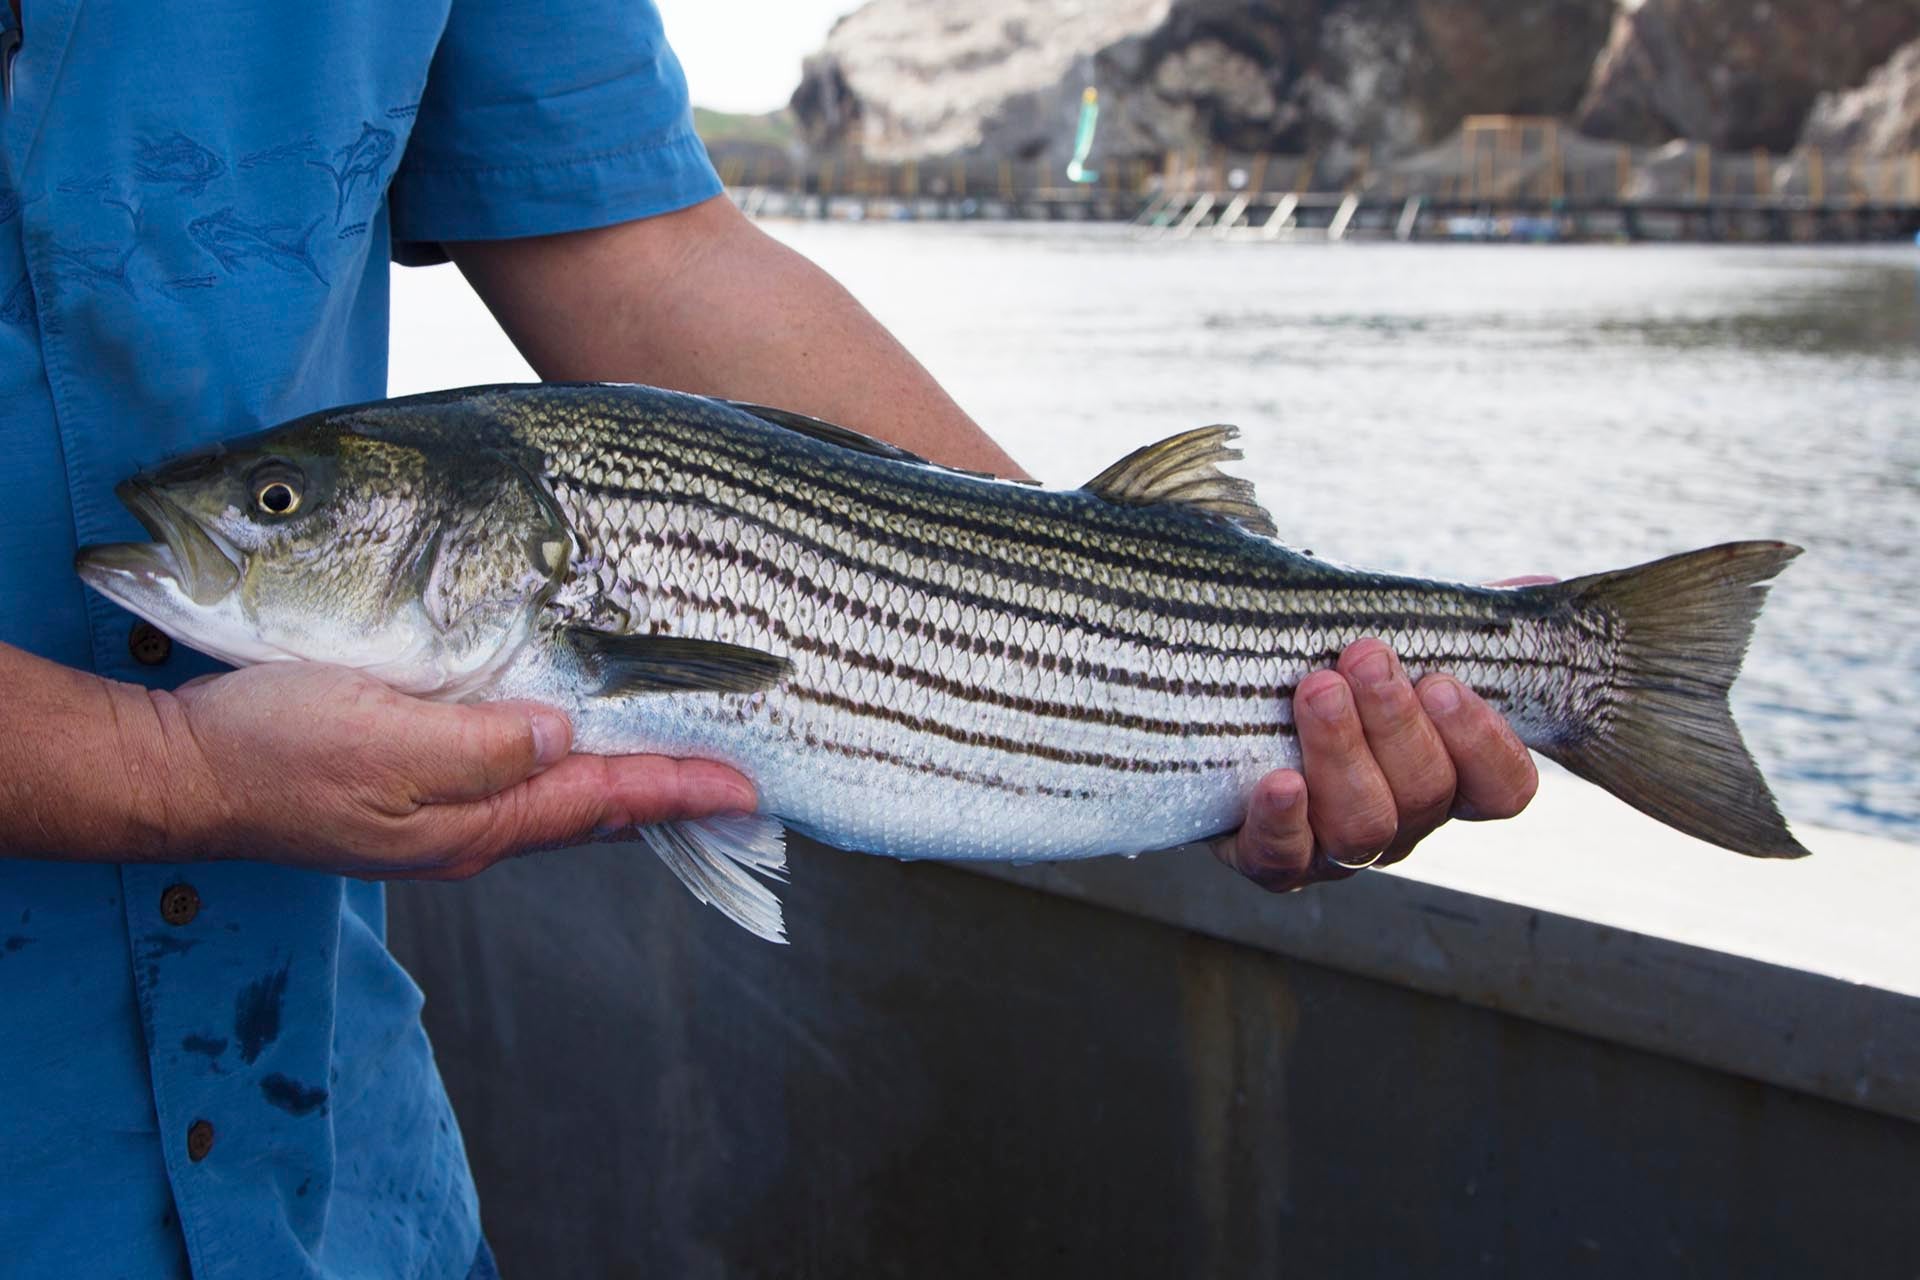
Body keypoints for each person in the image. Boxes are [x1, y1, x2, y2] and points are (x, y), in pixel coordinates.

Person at [0, 2, 1538, 1276]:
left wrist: (1130, 660)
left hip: (337, 1186)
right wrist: (159, 767)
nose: (239, 520)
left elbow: (645, 252)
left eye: (276, 505)